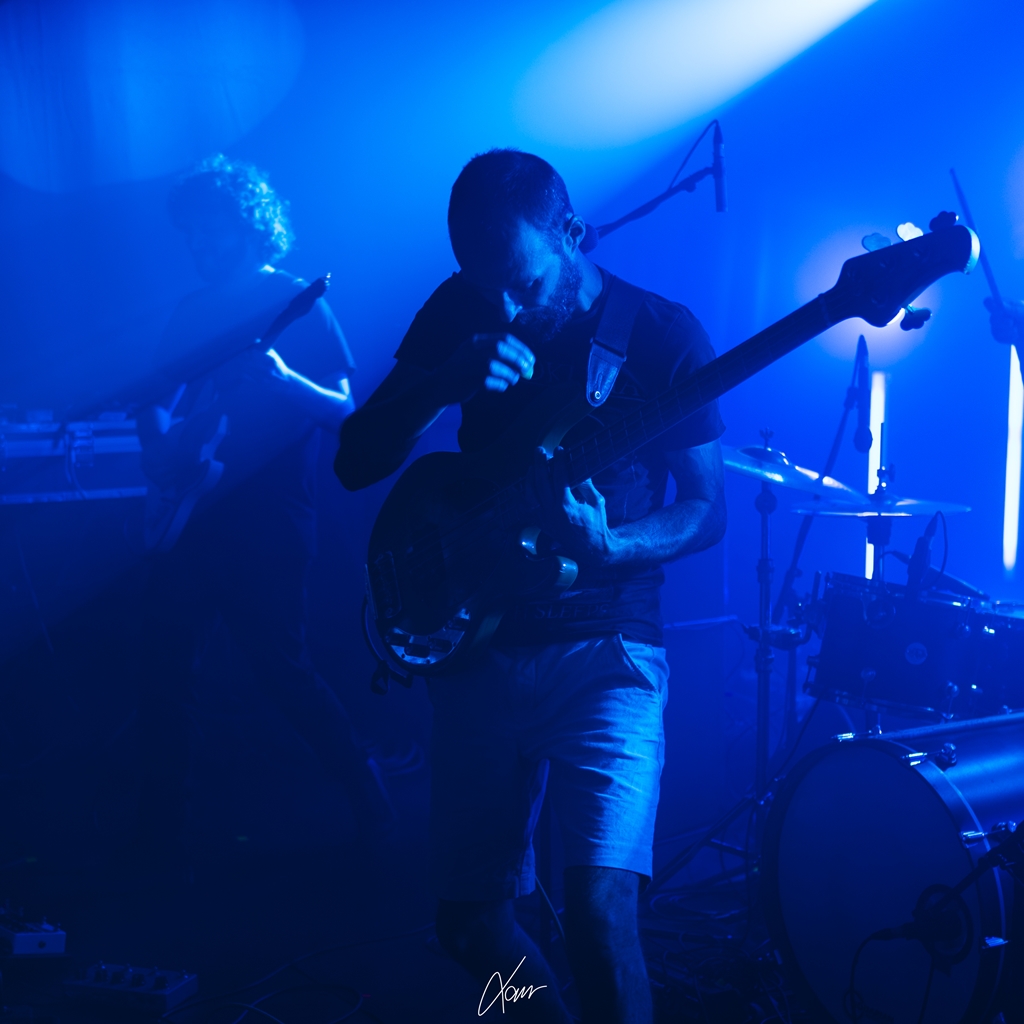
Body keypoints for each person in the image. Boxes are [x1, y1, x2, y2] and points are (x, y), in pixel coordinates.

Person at [336, 149, 727, 1023]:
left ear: (572, 232)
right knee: (470, 925)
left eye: (521, 283)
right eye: (484, 287)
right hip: (480, 641)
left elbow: (707, 508)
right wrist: (441, 383)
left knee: (599, 914)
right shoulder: (459, 309)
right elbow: (354, 462)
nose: (504, 310)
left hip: (609, 648)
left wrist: (613, 544)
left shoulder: (661, 334)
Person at [134, 154, 395, 871]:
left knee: (282, 669)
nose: (198, 244)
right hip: (193, 514)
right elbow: (153, 399)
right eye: (190, 232)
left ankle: (368, 794)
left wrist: (283, 382)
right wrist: (160, 448)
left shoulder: (296, 300)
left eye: (209, 229)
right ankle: (158, 838)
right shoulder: (191, 311)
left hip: (269, 518)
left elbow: (347, 415)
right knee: (163, 673)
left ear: (249, 224)